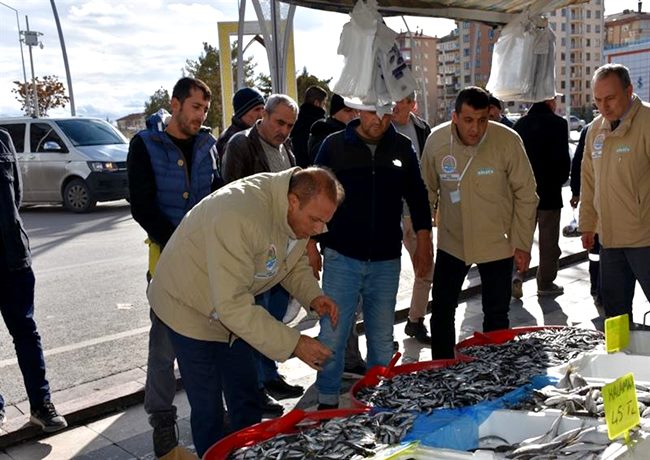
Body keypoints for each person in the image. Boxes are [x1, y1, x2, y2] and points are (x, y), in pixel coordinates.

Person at [147, 167, 342, 457]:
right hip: (187, 307)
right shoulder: (238, 214)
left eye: (324, 223)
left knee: (246, 396)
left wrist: (312, 296)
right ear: (292, 201)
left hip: (229, 308)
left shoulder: (298, 213)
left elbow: (292, 259)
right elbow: (233, 306)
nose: (317, 230)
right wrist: (296, 343)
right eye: (315, 220)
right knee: (208, 407)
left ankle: (247, 453)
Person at [312, 98, 432, 409]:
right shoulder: (334, 146)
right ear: (356, 110)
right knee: (332, 335)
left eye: (385, 112)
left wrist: (424, 241)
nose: (378, 119)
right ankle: (326, 401)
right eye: (370, 112)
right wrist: (310, 245)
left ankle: (380, 401)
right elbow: (312, 194)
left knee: (380, 337)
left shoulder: (402, 146)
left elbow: (417, 196)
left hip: (386, 260)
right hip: (341, 257)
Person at [127, 77, 220, 458]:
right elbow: (142, 205)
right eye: (195, 107)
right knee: (164, 349)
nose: (200, 116)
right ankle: (163, 422)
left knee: (210, 339)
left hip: (206, 263)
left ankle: (212, 415)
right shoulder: (146, 144)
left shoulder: (208, 145)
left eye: (205, 110)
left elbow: (217, 194)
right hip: (166, 262)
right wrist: (180, 242)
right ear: (176, 103)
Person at [420, 86, 538, 359]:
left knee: (497, 314)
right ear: (455, 117)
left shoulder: (507, 140)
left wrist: (522, 244)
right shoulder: (436, 142)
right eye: (469, 120)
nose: (476, 128)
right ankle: (442, 370)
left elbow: (526, 194)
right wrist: (422, 240)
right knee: (441, 310)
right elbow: (425, 192)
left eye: (483, 120)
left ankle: (494, 372)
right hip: (452, 242)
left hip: (497, 244)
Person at [222, 94, 304, 415]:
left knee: (272, 317)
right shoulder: (242, 145)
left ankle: (270, 376)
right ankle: (256, 387)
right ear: (263, 116)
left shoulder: (287, 149)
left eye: (289, 125)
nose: (284, 130)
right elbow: (230, 194)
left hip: (281, 249)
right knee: (254, 319)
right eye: (279, 122)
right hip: (254, 250)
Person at [0, 128, 67, 433]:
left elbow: (16, 198)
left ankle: (41, 405)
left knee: (26, 332)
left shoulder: (2, 140)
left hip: (13, 257)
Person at [579, 63, 650, 320]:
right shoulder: (595, 130)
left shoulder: (647, 122)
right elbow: (588, 180)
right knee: (615, 315)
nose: (603, 106)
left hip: (645, 239)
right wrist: (588, 224)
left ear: (629, 90)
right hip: (609, 240)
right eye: (597, 100)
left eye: (610, 98)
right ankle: (621, 359)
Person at [513, 97, 571, 297]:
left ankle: (516, 277)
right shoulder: (559, 124)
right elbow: (565, 161)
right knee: (548, 242)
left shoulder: (520, 124)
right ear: (549, 101)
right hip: (550, 194)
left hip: (523, 194)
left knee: (522, 238)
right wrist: (559, 181)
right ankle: (545, 282)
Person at [392, 91, 434, 344]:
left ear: (412, 104)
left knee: (425, 263)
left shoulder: (421, 128)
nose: (395, 104)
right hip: (386, 207)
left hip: (414, 207)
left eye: (402, 101)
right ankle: (383, 330)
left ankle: (416, 319)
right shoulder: (381, 125)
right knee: (385, 272)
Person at [569, 126, 602, 311]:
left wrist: (575, 191)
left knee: (598, 254)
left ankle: (597, 288)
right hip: (597, 208)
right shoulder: (592, 130)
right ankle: (597, 288)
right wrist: (575, 191)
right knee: (596, 253)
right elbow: (581, 166)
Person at [216, 87, 265, 161]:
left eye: (263, 109)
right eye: (257, 109)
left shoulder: (254, 135)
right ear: (242, 112)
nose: (261, 115)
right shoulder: (231, 139)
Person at [307, 93, 358, 163]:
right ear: (335, 113)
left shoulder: (353, 132)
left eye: (357, 111)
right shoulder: (322, 131)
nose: (354, 115)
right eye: (348, 110)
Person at [290, 85, 328, 168]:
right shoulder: (321, 124)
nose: (325, 108)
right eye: (324, 104)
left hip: (295, 168)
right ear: (317, 103)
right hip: (313, 170)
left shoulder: (294, 119)